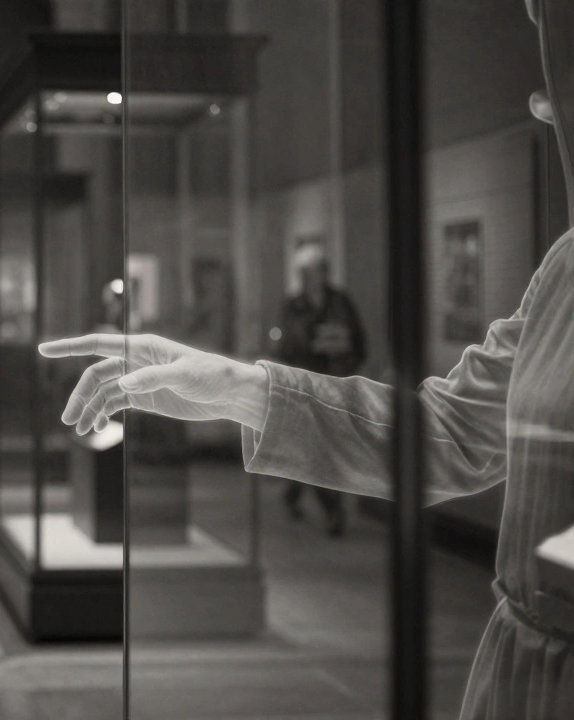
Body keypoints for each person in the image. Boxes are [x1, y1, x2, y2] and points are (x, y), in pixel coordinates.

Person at [39, 1, 572, 716]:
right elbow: (449, 434)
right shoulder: (566, 266)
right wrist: (242, 388)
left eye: (557, 95)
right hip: (524, 667)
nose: (544, 111)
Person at [275, 243, 367, 536]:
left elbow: (359, 341)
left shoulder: (340, 302)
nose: (314, 276)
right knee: (315, 448)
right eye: (309, 271)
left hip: (335, 386)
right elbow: (286, 346)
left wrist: (346, 365)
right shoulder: (293, 306)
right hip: (306, 386)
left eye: (318, 269)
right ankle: (332, 509)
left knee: (323, 448)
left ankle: (296, 493)